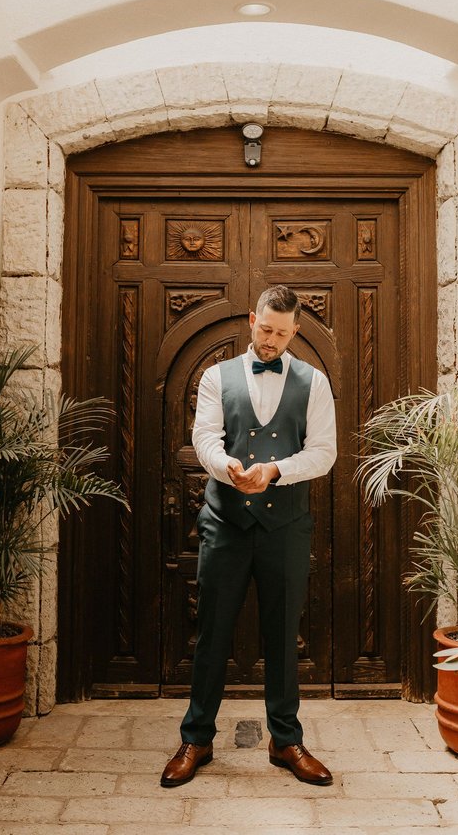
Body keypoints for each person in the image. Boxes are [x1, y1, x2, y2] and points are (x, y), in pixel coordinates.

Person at [160, 285, 337, 788]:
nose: (271, 341)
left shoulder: (314, 382)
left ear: (295, 331)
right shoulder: (216, 376)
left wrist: (275, 471)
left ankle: (285, 740)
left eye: (282, 333)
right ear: (252, 320)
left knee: (283, 636)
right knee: (212, 633)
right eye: (265, 330)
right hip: (226, 524)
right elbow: (203, 438)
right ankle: (196, 739)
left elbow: (324, 452)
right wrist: (227, 467)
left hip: (286, 528)